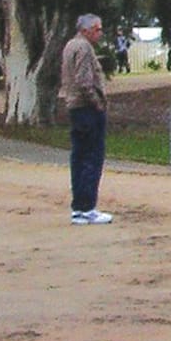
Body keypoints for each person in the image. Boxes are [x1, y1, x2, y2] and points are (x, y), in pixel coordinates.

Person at [60, 14, 113, 225]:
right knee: (91, 157)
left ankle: (79, 207)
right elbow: (84, 80)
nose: (100, 33)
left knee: (79, 157)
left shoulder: (70, 45)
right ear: (85, 30)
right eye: (97, 29)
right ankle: (87, 207)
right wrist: (97, 103)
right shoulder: (83, 48)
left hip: (76, 108)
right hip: (86, 109)